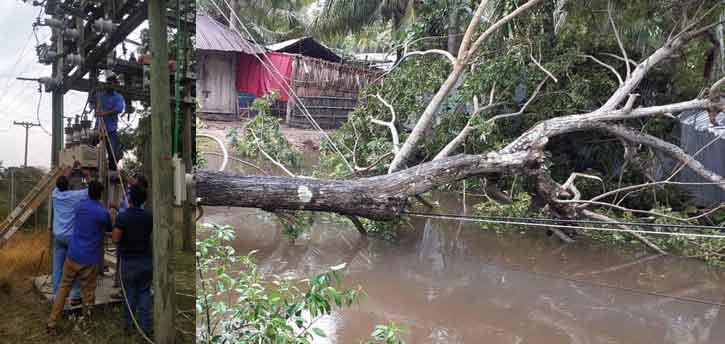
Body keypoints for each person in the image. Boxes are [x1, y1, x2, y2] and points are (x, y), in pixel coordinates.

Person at [47, 181, 112, 335]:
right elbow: (109, 227)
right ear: (101, 194)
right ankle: (87, 325)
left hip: (72, 255)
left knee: (63, 289)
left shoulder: (78, 206)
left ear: (88, 192)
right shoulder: (102, 212)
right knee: (88, 293)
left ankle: (51, 322)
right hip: (89, 259)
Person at [112, 185, 153, 335]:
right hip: (146, 261)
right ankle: (145, 326)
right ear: (144, 200)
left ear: (129, 199)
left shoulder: (122, 217)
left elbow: (116, 238)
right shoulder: (149, 216)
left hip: (129, 262)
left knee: (129, 294)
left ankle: (128, 326)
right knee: (144, 293)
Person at [50, 168, 85, 305]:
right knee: (74, 266)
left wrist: (66, 174)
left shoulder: (55, 195)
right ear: (68, 185)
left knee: (57, 266)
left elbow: (60, 184)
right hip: (71, 238)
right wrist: (83, 174)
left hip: (58, 237)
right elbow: (89, 191)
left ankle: (55, 295)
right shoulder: (74, 196)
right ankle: (75, 295)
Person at [93, 74, 125, 173]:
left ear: (115, 85)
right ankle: (93, 170)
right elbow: (93, 103)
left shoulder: (118, 97)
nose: (108, 85)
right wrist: (94, 91)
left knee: (112, 154)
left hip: (110, 129)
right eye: (107, 83)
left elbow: (118, 109)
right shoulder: (100, 95)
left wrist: (104, 113)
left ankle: (112, 173)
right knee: (89, 149)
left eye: (110, 83)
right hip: (98, 128)